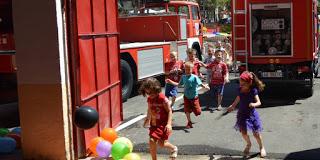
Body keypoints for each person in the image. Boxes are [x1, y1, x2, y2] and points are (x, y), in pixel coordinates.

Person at [227, 71, 267, 158]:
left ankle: (261, 147)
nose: (241, 86)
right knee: (244, 133)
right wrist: (233, 106)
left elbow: (259, 102)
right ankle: (248, 144)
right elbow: (238, 98)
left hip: (251, 115)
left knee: (256, 133)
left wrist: (254, 104)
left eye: (243, 84)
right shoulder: (240, 89)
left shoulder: (253, 90)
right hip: (242, 114)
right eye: (240, 83)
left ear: (249, 83)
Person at [139, 78, 178, 160]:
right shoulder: (149, 99)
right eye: (147, 93)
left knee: (161, 143)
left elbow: (169, 111)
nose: (150, 94)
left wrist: (169, 124)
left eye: (151, 92)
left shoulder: (162, 99)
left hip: (163, 124)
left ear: (156, 89)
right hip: (154, 124)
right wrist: (147, 119)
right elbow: (149, 109)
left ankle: (174, 148)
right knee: (152, 140)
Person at [166, 62, 210, 128]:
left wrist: (205, 86)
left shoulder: (194, 77)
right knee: (186, 110)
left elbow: (200, 84)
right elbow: (178, 84)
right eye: (186, 69)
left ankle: (192, 109)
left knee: (198, 112)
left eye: (189, 69)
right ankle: (189, 122)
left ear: (192, 70)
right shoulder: (183, 77)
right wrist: (170, 82)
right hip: (186, 97)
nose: (187, 71)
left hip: (194, 97)